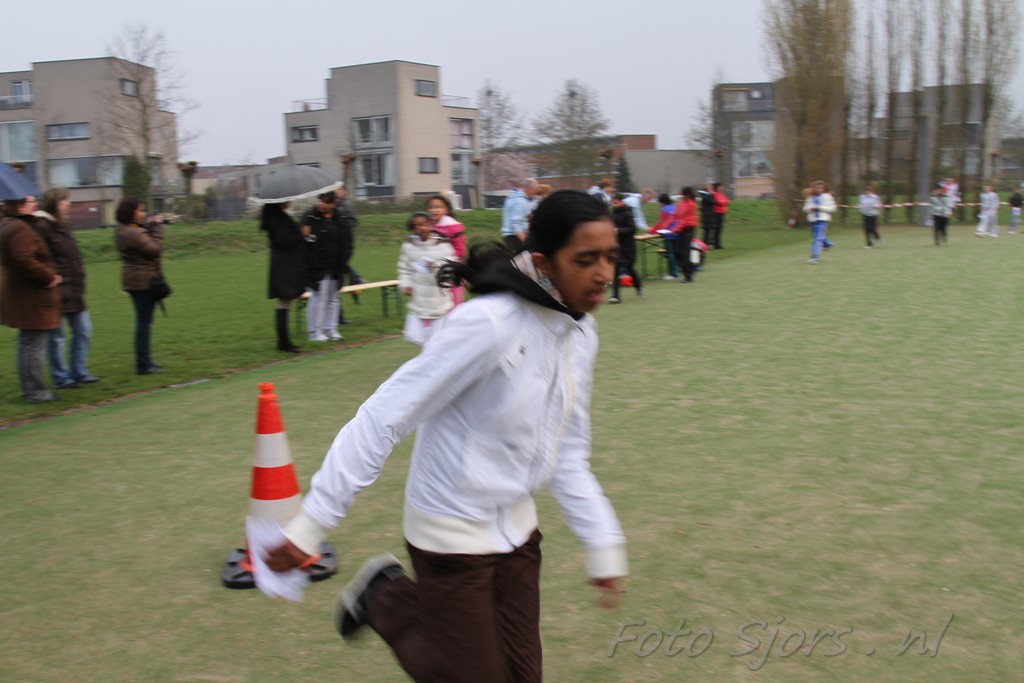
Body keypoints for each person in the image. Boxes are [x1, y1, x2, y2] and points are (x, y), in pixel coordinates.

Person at [266, 190, 627, 683]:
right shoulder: (489, 324)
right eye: (586, 260)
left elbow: (567, 452)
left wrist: (602, 541)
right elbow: (384, 416)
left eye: (610, 257)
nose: (604, 273)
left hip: (518, 535)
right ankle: (389, 600)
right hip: (449, 533)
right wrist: (313, 522)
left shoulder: (580, 335)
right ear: (544, 262)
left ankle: (384, 593)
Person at [34, 187, 100, 387]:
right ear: (55, 203)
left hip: (75, 289)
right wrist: (51, 278)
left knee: (84, 330)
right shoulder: (42, 227)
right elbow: (39, 258)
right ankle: (61, 377)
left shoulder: (64, 225)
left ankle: (79, 371)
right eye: (64, 200)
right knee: (57, 337)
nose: (68, 204)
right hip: (57, 289)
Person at [1, 194, 62, 403]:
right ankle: (35, 392)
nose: (35, 204)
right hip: (31, 295)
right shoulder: (19, 228)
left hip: (22, 294)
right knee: (33, 345)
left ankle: (30, 389)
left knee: (27, 343)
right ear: (20, 206)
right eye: (30, 201)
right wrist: (48, 277)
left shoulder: (11, 225)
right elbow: (25, 260)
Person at [114, 197, 164, 374]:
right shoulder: (133, 233)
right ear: (132, 212)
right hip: (142, 281)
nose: (142, 213)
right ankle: (144, 364)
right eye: (140, 210)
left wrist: (149, 227)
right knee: (143, 323)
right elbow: (154, 250)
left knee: (143, 322)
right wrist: (157, 228)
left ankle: (145, 361)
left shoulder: (123, 230)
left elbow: (142, 242)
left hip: (134, 280)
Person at [397, 212, 455, 345]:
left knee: (437, 339)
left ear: (430, 225)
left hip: (438, 299)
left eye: (423, 224)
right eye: (416, 226)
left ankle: (433, 352)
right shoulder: (408, 247)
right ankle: (429, 349)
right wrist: (405, 285)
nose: (420, 228)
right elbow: (404, 269)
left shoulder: (443, 245)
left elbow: (451, 268)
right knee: (413, 336)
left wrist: (435, 266)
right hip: (418, 298)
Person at [261, 201, 310, 353]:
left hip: (284, 264)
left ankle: (284, 341)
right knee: (284, 302)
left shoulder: (276, 217)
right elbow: (283, 240)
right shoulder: (278, 218)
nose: (290, 202)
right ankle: (283, 342)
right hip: (285, 265)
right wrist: (301, 234)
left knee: (285, 303)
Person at [302, 192, 349, 341]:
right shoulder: (310, 217)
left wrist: (343, 261)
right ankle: (315, 332)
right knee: (318, 298)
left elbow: (347, 241)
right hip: (317, 266)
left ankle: (331, 329)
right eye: (320, 201)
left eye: (325, 202)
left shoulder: (340, 218)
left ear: (333, 204)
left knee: (333, 298)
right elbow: (304, 240)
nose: (321, 204)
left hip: (335, 265)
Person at [426, 194, 466, 305]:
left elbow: (460, 251)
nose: (434, 210)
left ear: (446, 210)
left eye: (438, 207)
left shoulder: (454, 227)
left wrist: (442, 264)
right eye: (431, 207)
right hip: (431, 272)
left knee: (452, 304)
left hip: (452, 272)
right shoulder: (426, 226)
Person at [334, 184, 360, 323]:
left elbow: (352, 223)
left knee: (336, 283)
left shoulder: (346, 206)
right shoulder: (331, 205)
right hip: (333, 249)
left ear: (343, 190)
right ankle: (355, 276)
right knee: (334, 285)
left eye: (339, 189)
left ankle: (339, 317)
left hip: (343, 247)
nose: (336, 192)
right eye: (335, 189)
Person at [608, 193, 642, 302]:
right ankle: (615, 296)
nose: (614, 205)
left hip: (629, 246)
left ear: (621, 202)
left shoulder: (627, 213)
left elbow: (632, 229)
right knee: (617, 268)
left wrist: (618, 230)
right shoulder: (612, 214)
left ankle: (638, 286)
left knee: (630, 268)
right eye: (613, 203)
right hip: (618, 245)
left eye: (616, 203)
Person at [648, 193, 680, 279]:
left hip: (668, 234)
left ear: (662, 202)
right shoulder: (674, 208)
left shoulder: (664, 209)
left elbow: (661, 223)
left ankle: (673, 273)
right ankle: (677, 270)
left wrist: (652, 231)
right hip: (676, 232)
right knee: (675, 253)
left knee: (670, 254)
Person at [500, 177, 538, 252]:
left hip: (510, 236)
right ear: (530, 189)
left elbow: (524, 215)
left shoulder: (514, 197)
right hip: (515, 237)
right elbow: (515, 223)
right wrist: (526, 241)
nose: (535, 192)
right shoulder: (520, 201)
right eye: (535, 190)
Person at [803, 180, 836, 264]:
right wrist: (810, 208)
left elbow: (832, 208)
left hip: (822, 219)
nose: (819, 189)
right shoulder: (810, 197)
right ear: (814, 188)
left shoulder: (827, 196)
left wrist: (819, 207)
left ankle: (814, 258)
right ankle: (827, 243)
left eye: (821, 188)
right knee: (817, 237)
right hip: (812, 219)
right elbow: (805, 208)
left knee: (816, 239)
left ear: (824, 188)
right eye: (817, 188)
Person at [673, 187, 699, 284]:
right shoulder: (681, 203)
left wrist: (674, 229)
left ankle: (688, 276)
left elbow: (685, 220)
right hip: (680, 229)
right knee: (677, 252)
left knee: (684, 253)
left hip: (687, 229)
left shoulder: (691, 204)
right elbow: (676, 216)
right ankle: (691, 267)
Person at [710, 182, 729, 249]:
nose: (721, 188)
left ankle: (718, 244)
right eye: (720, 187)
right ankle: (715, 244)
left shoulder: (721, 194)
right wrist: (723, 202)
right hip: (716, 213)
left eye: (722, 187)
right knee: (716, 229)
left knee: (720, 229)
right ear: (716, 188)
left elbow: (726, 201)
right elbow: (720, 202)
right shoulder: (715, 194)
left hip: (721, 213)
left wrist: (723, 202)